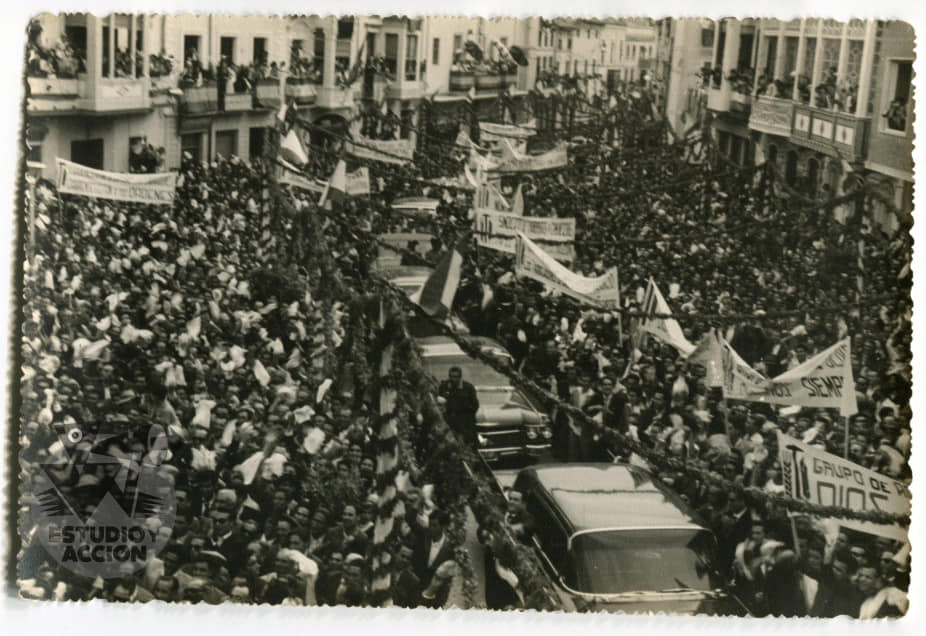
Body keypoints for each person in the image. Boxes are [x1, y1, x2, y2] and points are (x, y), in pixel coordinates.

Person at [438, 366, 479, 446]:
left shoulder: (468, 387)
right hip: (449, 421)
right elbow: (440, 402)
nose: (453, 379)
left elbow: (475, 405)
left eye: (456, 377)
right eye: (451, 376)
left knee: (466, 444)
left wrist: (466, 415)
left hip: (464, 422)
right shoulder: (444, 386)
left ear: (460, 377)